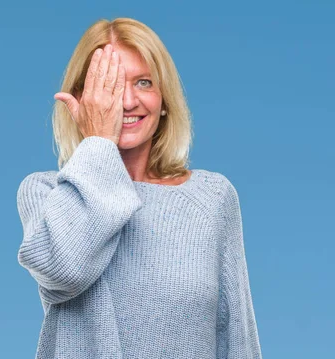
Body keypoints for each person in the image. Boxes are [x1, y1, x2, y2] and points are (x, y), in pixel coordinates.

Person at [15, 17, 262, 358]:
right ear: (81, 99)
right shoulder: (48, 194)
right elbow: (63, 269)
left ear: (164, 101)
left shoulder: (212, 198)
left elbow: (237, 339)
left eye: (144, 82)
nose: (127, 101)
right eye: (110, 85)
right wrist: (99, 140)